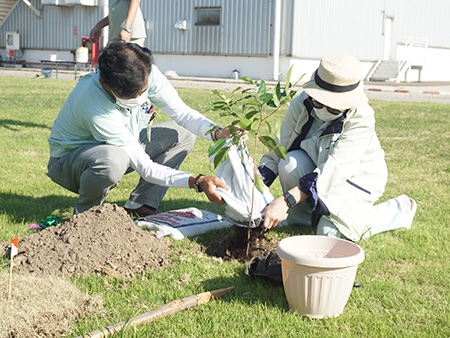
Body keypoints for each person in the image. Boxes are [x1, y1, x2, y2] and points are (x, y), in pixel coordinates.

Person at [47, 41, 234, 217]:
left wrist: (216, 133)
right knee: (114, 159)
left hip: (120, 145)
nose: (140, 97)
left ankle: (141, 204)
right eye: (131, 95)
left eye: (143, 90)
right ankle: (85, 216)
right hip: (71, 163)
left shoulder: (144, 71)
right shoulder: (93, 103)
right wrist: (198, 181)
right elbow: (146, 168)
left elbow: (182, 113)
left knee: (182, 134)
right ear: (105, 85)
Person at [259, 53, 417, 241]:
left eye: (334, 108)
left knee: (329, 234)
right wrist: (254, 186)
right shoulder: (300, 103)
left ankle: (398, 210)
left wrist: (286, 201)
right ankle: (301, 222)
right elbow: (278, 151)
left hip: (354, 179)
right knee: (288, 162)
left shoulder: (361, 117)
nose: (324, 109)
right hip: (317, 167)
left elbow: (334, 171)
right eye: (319, 102)